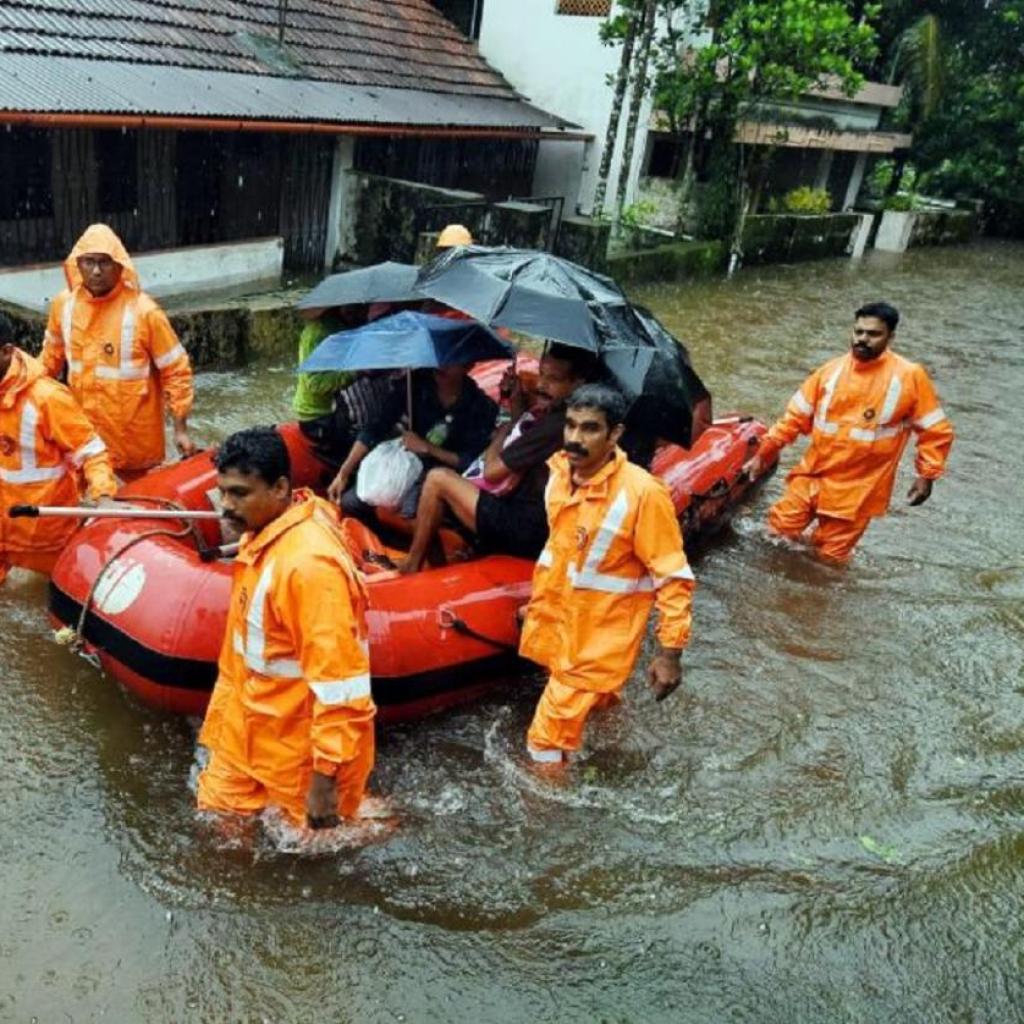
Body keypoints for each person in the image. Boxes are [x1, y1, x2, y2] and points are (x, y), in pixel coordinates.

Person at [196, 427, 376, 830]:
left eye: (239, 493)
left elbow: (342, 687)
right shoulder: (261, 536)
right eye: (223, 492)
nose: (226, 506)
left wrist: (325, 780)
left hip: (296, 753)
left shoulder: (308, 567)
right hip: (244, 732)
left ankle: (370, 816)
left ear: (280, 488)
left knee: (322, 851)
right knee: (216, 831)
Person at [519, 383, 695, 764]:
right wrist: (537, 605)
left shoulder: (642, 494)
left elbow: (673, 577)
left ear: (615, 434)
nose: (574, 438)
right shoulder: (560, 476)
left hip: (598, 643)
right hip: (564, 628)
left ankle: (548, 820)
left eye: (589, 429)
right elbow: (562, 552)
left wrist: (670, 654)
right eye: (570, 426)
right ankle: (614, 760)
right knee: (597, 715)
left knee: (544, 744)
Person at [742, 302, 955, 564]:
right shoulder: (830, 372)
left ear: (891, 337)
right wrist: (764, 452)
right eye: (858, 332)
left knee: (827, 563)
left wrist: (927, 475)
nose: (862, 339)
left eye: (873, 334)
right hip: (813, 474)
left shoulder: (909, 377)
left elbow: (935, 430)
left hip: (858, 489)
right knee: (774, 536)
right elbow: (793, 418)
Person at [394, 343, 598, 574]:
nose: (541, 384)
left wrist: (503, 429)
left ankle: (413, 564)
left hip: (526, 526)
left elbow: (492, 471)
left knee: (437, 479)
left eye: (554, 379)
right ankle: (442, 569)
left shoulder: (557, 425)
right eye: (541, 374)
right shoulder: (561, 413)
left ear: (578, 383)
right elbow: (523, 429)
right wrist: (515, 403)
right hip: (525, 508)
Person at [40, 224, 195, 480]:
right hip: (84, 439)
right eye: (89, 262)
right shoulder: (63, 306)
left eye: (105, 262)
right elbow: (47, 364)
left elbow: (176, 370)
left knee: (141, 506)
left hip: (135, 441)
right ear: (77, 264)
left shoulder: (145, 311)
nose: (97, 271)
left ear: (120, 265)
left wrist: (180, 429)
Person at [0, 315, 117, 583]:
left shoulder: (47, 398)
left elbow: (92, 452)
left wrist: (103, 496)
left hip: (42, 536)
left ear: (7, 352)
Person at [326, 364, 497, 528]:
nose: (442, 365)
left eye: (452, 360)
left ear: (468, 365)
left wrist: (430, 449)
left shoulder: (481, 407)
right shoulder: (415, 384)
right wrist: (344, 472)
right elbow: (377, 427)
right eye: (439, 357)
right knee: (351, 504)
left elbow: (470, 461)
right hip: (407, 462)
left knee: (413, 513)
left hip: (443, 473)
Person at [293, 306, 361, 426]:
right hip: (316, 413)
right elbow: (315, 383)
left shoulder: (342, 326)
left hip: (330, 408)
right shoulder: (319, 332)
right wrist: (355, 372)